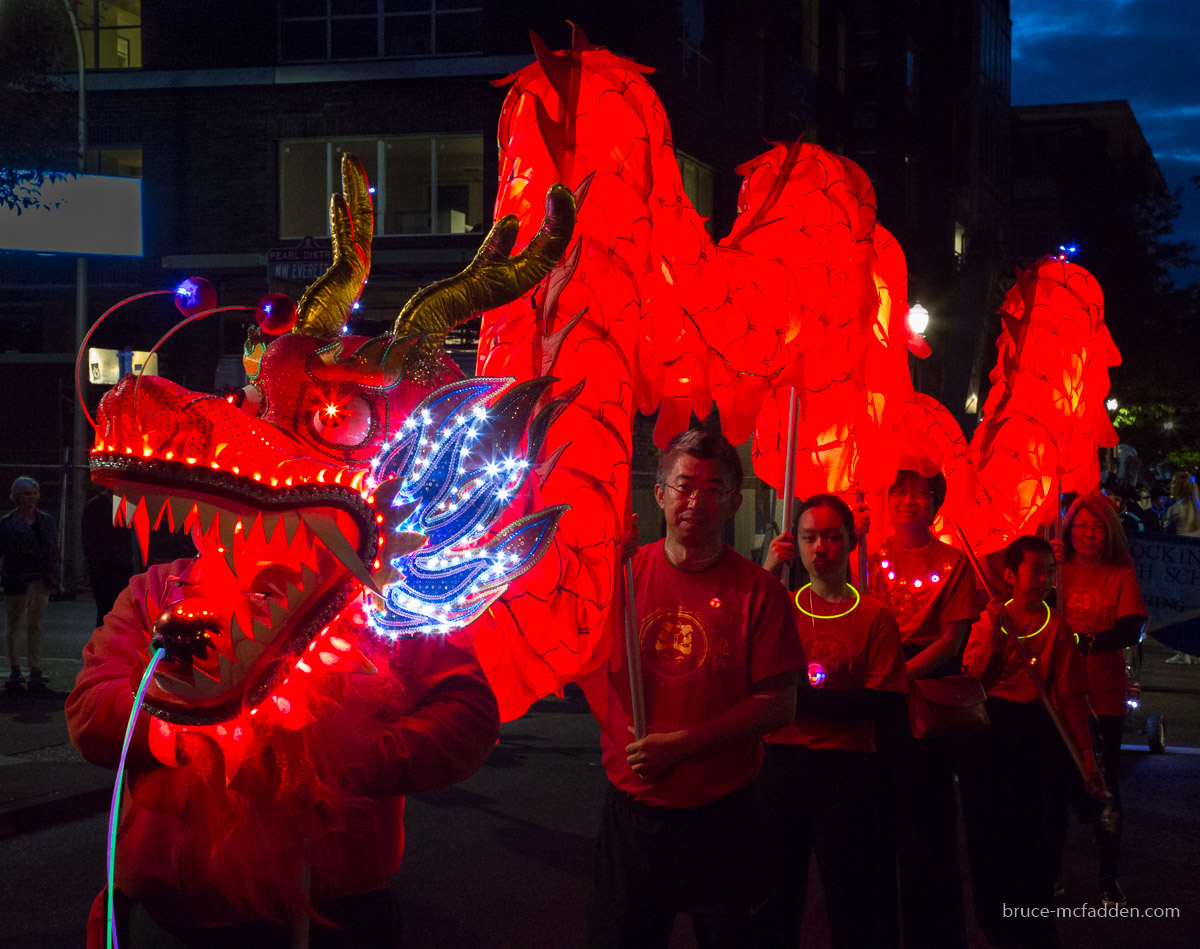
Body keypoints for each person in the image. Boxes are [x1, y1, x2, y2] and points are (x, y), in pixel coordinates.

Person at [67, 557, 501, 947]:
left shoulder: (377, 586)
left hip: (334, 910)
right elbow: (91, 712)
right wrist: (190, 726)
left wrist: (342, 757)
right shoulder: (160, 588)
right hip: (171, 911)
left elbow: (468, 716)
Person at [584, 426, 803, 949]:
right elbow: (585, 665)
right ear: (659, 493)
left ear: (733, 500)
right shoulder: (623, 579)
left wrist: (681, 745)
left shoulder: (760, 593)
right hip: (634, 816)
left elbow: (779, 705)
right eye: (684, 486)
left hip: (724, 819)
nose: (696, 501)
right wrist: (623, 733)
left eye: (712, 489)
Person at [759, 494, 908, 949]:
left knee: (854, 900)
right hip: (782, 767)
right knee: (775, 896)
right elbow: (743, 653)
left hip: (847, 771)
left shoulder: (875, 616)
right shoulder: (779, 607)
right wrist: (767, 571)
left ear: (849, 542)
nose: (820, 548)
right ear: (795, 545)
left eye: (830, 537)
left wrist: (792, 699)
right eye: (808, 538)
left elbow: (879, 704)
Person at [959, 535, 1103, 949]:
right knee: (986, 837)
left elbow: (1071, 696)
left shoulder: (1057, 627)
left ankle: (1034, 929)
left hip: (1034, 736)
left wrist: (1087, 757)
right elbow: (976, 681)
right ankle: (996, 925)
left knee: (1031, 839)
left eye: (1049, 571)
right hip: (989, 735)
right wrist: (998, 635)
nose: (1044, 579)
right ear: (1009, 575)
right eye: (1035, 570)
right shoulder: (988, 620)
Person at [869, 469, 978, 949]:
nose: (909, 500)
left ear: (936, 501)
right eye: (899, 489)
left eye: (920, 491)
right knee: (874, 823)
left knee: (927, 827)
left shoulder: (955, 563)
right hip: (875, 697)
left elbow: (952, 642)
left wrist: (899, 673)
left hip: (922, 699)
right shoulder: (866, 560)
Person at [1055, 493, 1147, 907]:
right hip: (1057, 694)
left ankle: (1109, 876)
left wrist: (1084, 641)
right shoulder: (1055, 571)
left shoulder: (1120, 575)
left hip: (1103, 697)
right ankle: (1051, 871)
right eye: (1081, 526)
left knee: (1105, 785)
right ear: (1068, 529)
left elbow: (1130, 628)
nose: (1089, 535)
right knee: (1053, 788)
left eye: (1097, 527)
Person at [0, 476, 58, 688]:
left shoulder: (45, 520)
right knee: (15, 625)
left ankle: (34, 667)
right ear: (16, 497)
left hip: (40, 580)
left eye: (33, 493)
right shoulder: (7, 524)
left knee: (36, 625)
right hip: (18, 580)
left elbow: (52, 550)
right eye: (26, 494)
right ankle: (15, 667)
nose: (30, 498)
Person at [81, 487, 136, 629]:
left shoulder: (98, 505)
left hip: (113, 566)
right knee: (111, 609)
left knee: (107, 611)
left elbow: (89, 539)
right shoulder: (103, 505)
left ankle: (105, 644)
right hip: (111, 567)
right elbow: (90, 540)